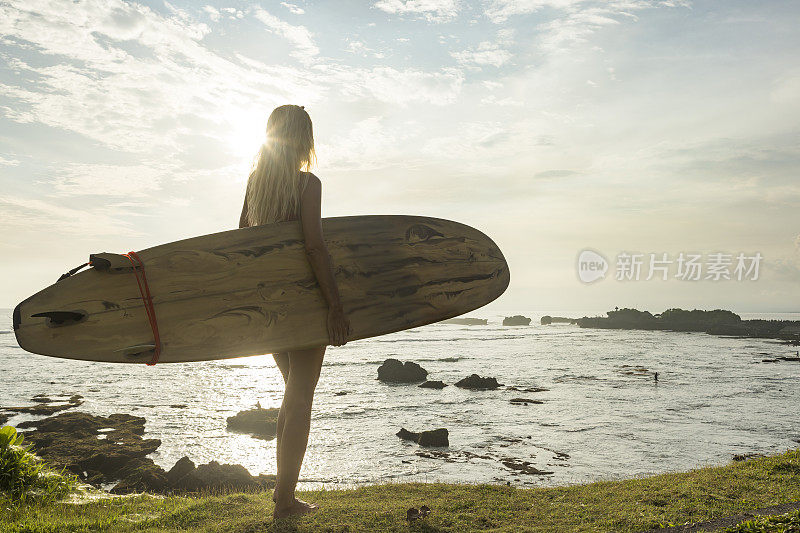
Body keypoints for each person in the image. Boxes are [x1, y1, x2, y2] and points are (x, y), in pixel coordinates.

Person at [238, 104, 351, 518]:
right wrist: (335, 305)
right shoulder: (308, 185)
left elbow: (240, 245)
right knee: (300, 397)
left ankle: (283, 496)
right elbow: (315, 247)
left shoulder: (255, 184)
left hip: (269, 307)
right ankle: (285, 502)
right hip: (304, 304)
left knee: (294, 395)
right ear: (303, 140)